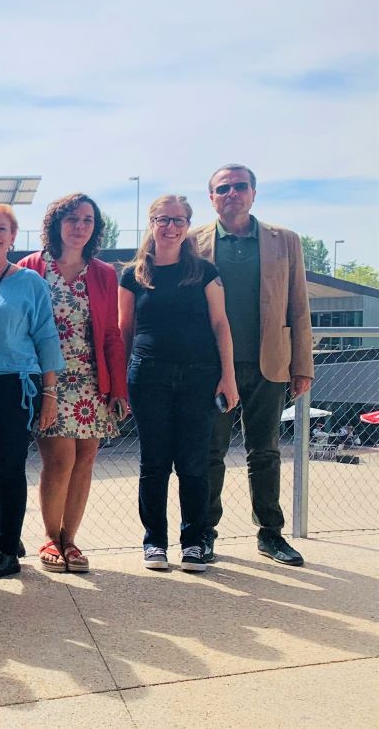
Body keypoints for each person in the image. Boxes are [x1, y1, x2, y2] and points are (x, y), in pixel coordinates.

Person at [193, 164, 313, 567]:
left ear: (254, 192)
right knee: (210, 453)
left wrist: (303, 365)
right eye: (222, 188)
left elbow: (299, 304)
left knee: (265, 452)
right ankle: (203, 533)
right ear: (211, 198)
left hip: (271, 364)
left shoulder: (286, 241)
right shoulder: (194, 243)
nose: (232, 193)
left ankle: (271, 535)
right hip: (213, 367)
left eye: (239, 186)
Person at [120, 195, 239, 573]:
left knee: (193, 464)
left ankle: (194, 542)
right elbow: (125, 330)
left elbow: (221, 324)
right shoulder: (133, 274)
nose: (170, 227)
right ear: (151, 223)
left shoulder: (204, 272)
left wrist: (228, 376)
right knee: (153, 463)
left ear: (188, 226)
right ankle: (154, 542)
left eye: (178, 220)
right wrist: (120, 384)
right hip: (148, 376)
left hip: (198, 377)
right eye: (162, 219)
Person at [19, 193, 128, 574]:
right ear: (55, 224)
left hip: (90, 379)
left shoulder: (103, 273)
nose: (80, 226)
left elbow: (112, 334)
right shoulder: (31, 268)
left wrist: (118, 388)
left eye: (87, 220)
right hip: (48, 379)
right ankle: (51, 537)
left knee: (86, 458)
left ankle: (71, 540)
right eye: (72, 219)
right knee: (60, 457)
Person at [0, 204, 63, 579]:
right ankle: (9, 532)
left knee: (7, 465)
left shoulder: (29, 283)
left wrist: (50, 394)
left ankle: (5, 551)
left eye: (2, 228)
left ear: (12, 237)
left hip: (15, 384)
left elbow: (45, 336)